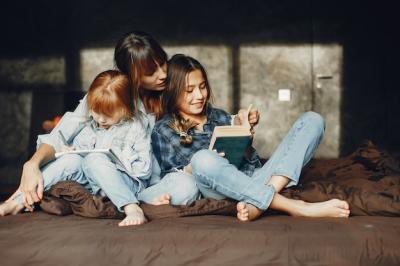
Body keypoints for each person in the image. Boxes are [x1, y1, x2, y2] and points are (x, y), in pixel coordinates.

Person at [6, 31, 200, 212]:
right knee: (72, 161)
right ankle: (17, 202)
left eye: (162, 63)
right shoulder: (111, 94)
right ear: (132, 75)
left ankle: (135, 199)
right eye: (151, 72)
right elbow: (61, 134)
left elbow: (201, 122)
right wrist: (32, 164)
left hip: (149, 181)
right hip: (103, 174)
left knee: (188, 187)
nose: (163, 74)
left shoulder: (176, 86)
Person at [151, 54, 351, 222]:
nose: (200, 95)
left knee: (312, 120)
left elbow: (252, 162)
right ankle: (296, 207)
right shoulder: (163, 129)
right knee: (202, 159)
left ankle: (259, 202)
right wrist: (201, 162)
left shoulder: (219, 116)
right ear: (174, 92)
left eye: (202, 87)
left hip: (255, 178)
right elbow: (175, 179)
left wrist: (245, 133)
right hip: (219, 188)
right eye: (189, 90)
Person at [1, 70, 152, 226]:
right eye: (95, 111)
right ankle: (19, 202)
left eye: (108, 114)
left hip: (124, 182)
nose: (100, 119)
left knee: (95, 159)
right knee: (70, 160)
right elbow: (70, 145)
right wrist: (68, 151)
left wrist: (111, 159)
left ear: (125, 109)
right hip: (92, 180)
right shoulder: (90, 123)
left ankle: (131, 207)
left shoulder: (136, 127)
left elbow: (143, 171)